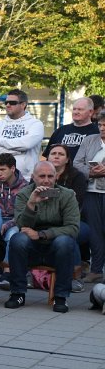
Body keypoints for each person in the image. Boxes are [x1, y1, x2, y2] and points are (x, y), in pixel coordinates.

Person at [6, 161, 81, 312]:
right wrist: (31, 204)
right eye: (42, 176)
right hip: (31, 247)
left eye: (50, 176)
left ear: (56, 177)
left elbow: (73, 228)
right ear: (33, 177)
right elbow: (21, 225)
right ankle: (18, 293)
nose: (46, 180)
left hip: (55, 245)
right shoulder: (24, 194)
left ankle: (60, 297)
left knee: (65, 242)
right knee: (17, 239)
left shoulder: (67, 195)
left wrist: (41, 234)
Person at [73, 114, 105, 284]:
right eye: (100, 125)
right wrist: (91, 172)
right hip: (91, 192)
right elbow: (77, 163)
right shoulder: (89, 140)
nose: (102, 128)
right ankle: (96, 270)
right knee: (94, 232)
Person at [0, 89, 45, 181]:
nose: (8, 105)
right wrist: (19, 151)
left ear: (23, 104)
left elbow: (27, 144)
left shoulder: (35, 124)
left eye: (12, 102)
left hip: (26, 179)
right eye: (6, 102)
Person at [0, 153, 27, 289]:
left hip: (16, 221)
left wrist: (7, 224)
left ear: (12, 168)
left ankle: (7, 272)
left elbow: (22, 214)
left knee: (12, 235)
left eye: (2, 169)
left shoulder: (25, 187)